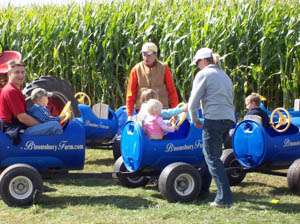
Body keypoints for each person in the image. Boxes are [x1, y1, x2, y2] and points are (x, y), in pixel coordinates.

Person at [188, 48, 236, 208]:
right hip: (228, 119)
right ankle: (203, 190)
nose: (197, 67)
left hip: (213, 119)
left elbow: (193, 102)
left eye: (197, 63)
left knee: (213, 158)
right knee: (209, 155)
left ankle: (224, 199)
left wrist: (194, 119)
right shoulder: (225, 75)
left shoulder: (204, 74)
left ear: (203, 61)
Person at [0, 60, 62, 143]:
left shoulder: (14, 89)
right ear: (9, 74)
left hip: (17, 126)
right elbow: (22, 118)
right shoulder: (11, 91)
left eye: (23, 72)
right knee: (55, 125)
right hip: (15, 129)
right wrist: (42, 126)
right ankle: (60, 150)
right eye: (17, 72)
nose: (21, 75)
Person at [126, 42, 179, 120]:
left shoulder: (164, 68)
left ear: (155, 55)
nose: (146, 57)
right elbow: (131, 93)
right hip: (142, 110)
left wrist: (175, 111)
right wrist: (130, 114)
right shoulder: (136, 69)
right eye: (144, 54)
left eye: (149, 55)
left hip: (161, 109)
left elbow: (171, 90)